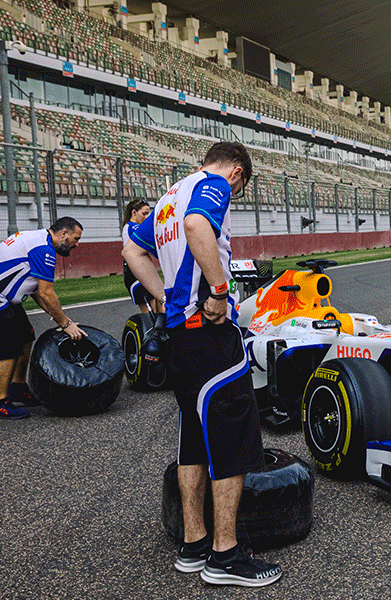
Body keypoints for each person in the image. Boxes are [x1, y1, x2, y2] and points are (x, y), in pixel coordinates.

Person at [123, 141, 282, 587]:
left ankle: (194, 545)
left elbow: (132, 251)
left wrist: (163, 296)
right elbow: (197, 225)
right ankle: (225, 556)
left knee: (193, 437)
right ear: (237, 172)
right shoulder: (214, 184)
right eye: (241, 187)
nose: (236, 193)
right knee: (232, 435)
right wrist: (218, 289)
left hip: (179, 331)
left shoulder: (168, 196)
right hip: (208, 329)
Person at [0, 217, 87, 419]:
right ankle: (0, 404)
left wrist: (63, 320)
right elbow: (47, 293)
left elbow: (37, 292)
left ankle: (18, 388)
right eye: (76, 238)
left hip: (2, 295)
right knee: (10, 346)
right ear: (64, 234)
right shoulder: (43, 249)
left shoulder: (40, 240)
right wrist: (65, 323)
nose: (77, 244)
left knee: (26, 335)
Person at [121, 199, 160, 314]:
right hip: (136, 273)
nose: (146, 217)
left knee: (157, 308)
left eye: (148, 214)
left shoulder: (134, 227)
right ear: (134, 212)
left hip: (142, 270)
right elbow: (151, 245)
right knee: (150, 313)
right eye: (144, 213)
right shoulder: (132, 227)